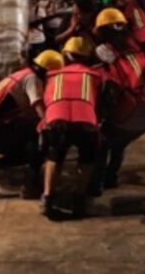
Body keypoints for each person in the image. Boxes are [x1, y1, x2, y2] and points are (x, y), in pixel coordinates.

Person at [0, 49, 63, 200]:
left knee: (27, 142)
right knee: (35, 147)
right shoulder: (32, 79)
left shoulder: (23, 73)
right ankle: (30, 186)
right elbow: (38, 108)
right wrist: (51, 125)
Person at [90, 8, 145, 194]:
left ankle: (96, 184)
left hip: (134, 108)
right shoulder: (138, 46)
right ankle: (111, 177)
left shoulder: (106, 52)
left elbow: (112, 91)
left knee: (102, 142)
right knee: (118, 143)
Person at [40, 36, 110, 219]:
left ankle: (48, 197)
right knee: (86, 160)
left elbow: (47, 99)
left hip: (56, 118)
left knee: (54, 157)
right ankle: (79, 198)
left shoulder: (52, 75)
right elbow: (101, 103)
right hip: (85, 120)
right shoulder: (96, 76)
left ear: (65, 55)